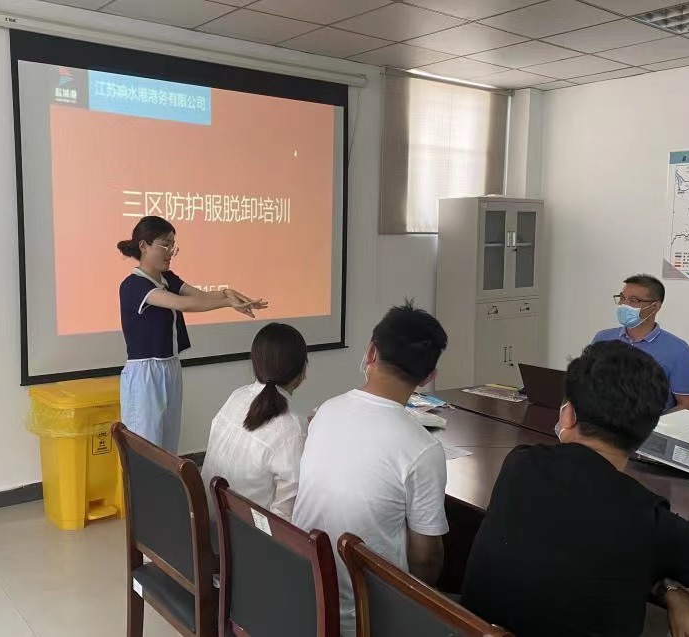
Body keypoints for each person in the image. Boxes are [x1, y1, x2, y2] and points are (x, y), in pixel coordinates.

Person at [460, 341, 689, 637]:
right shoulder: (647, 519)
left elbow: (580, 546)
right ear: (648, 431)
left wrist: (671, 590)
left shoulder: (520, 465)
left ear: (567, 414)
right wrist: (677, 588)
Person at [293, 301, 449, 637]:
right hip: (366, 619)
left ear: (371, 352)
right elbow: (425, 560)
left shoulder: (325, 411)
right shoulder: (423, 449)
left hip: (303, 597)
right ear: (428, 377)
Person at [117, 216, 266, 452]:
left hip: (170, 367)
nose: (170, 252)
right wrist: (227, 302)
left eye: (173, 245)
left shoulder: (167, 278)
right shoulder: (134, 285)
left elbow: (199, 296)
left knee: (168, 450)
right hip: (145, 374)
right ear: (144, 246)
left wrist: (228, 293)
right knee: (145, 450)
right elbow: (183, 303)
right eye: (165, 245)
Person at [201, 323, 308, 521]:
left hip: (208, 519)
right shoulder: (293, 428)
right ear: (302, 372)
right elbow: (286, 516)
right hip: (245, 534)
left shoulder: (238, 396)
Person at [592, 274, 689, 412]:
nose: (624, 305)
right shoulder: (603, 338)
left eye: (633, 300)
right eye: (622, 298)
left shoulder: (678, 351)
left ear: (655, 307)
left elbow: (687, 406)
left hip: (650, 423)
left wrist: (651, 422)